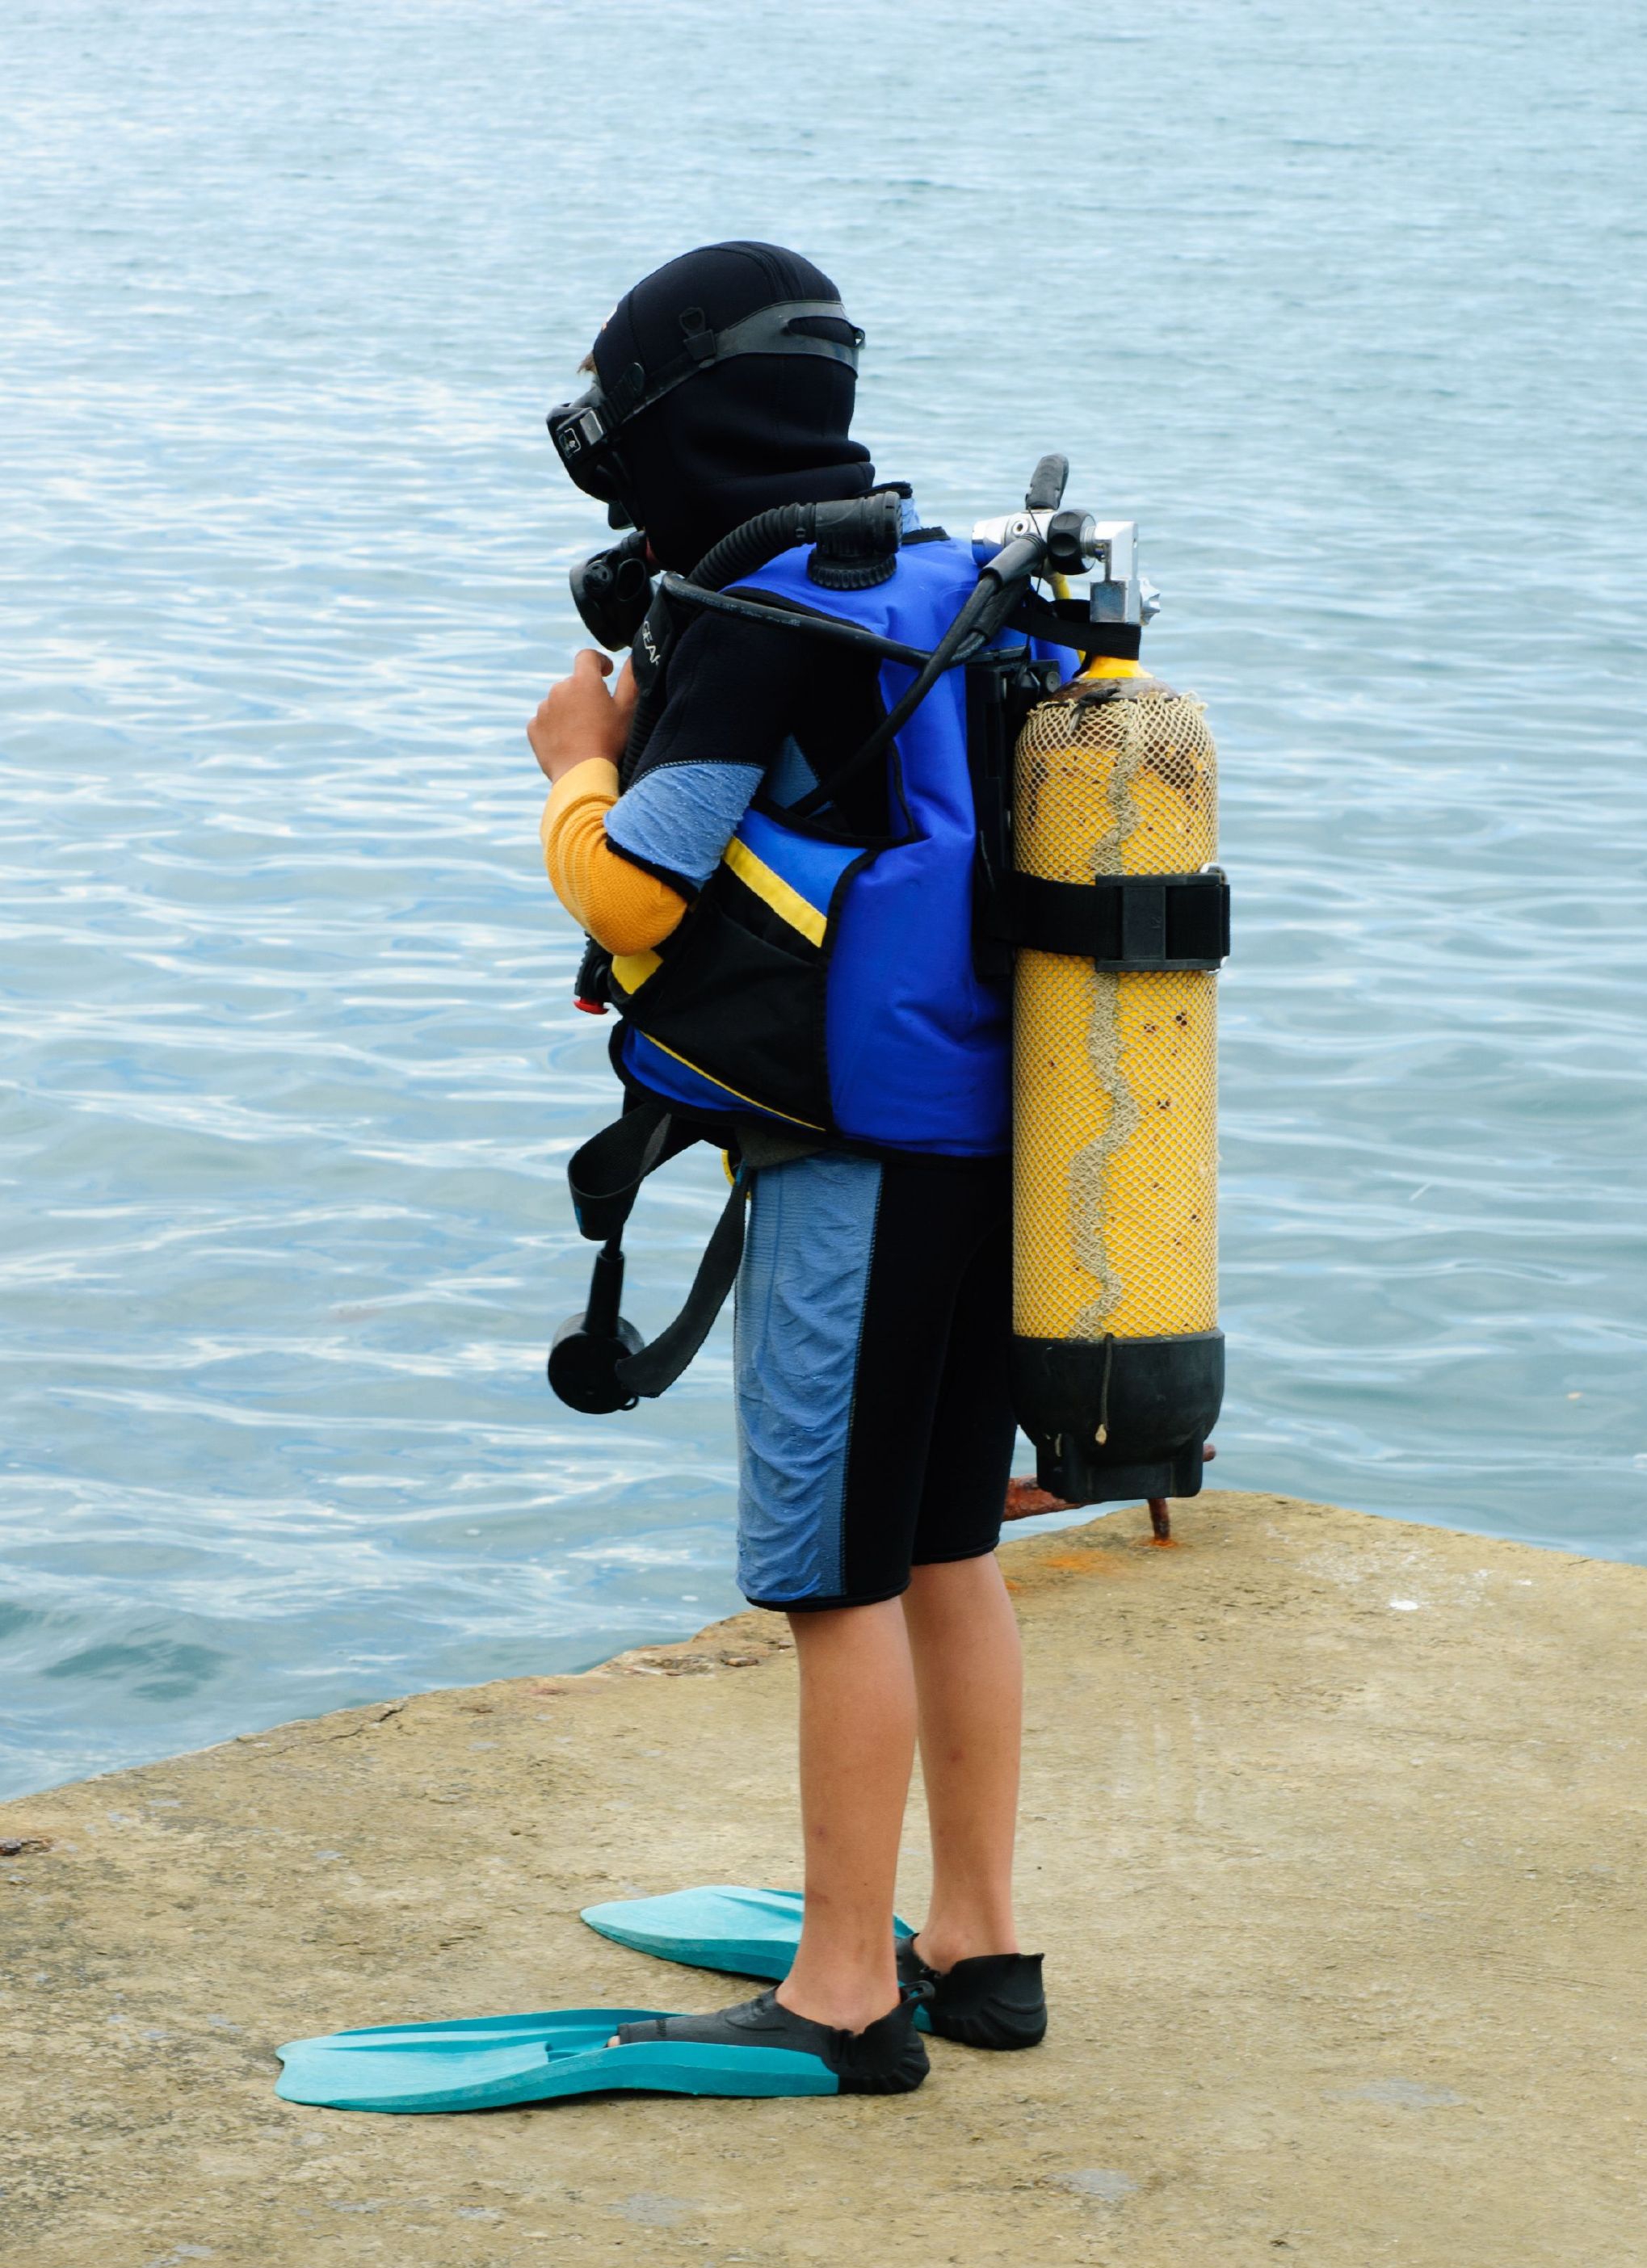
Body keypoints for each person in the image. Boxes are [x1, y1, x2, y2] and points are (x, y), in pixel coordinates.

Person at [528, 242, 1046, 2095]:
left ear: (672, 419)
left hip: (847, 1160)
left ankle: (842, 1993)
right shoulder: (932, 580)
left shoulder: (756, 615)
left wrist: (573, 760)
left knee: (834, 1578)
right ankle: (977, 1940)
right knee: (947, 1548)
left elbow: (633, 891)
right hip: (999, 1138)